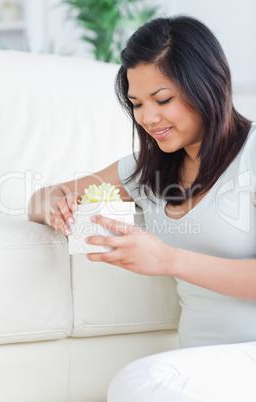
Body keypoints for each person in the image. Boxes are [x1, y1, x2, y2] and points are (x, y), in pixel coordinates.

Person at [28, 15, 256, 402]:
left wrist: (169, 259)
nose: (149, 118)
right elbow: (42, 196)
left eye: (163, 100)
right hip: (199, 365)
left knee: (139, 383)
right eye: (137, 104)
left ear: (208, 86)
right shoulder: (146, 171)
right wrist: (53, 204)